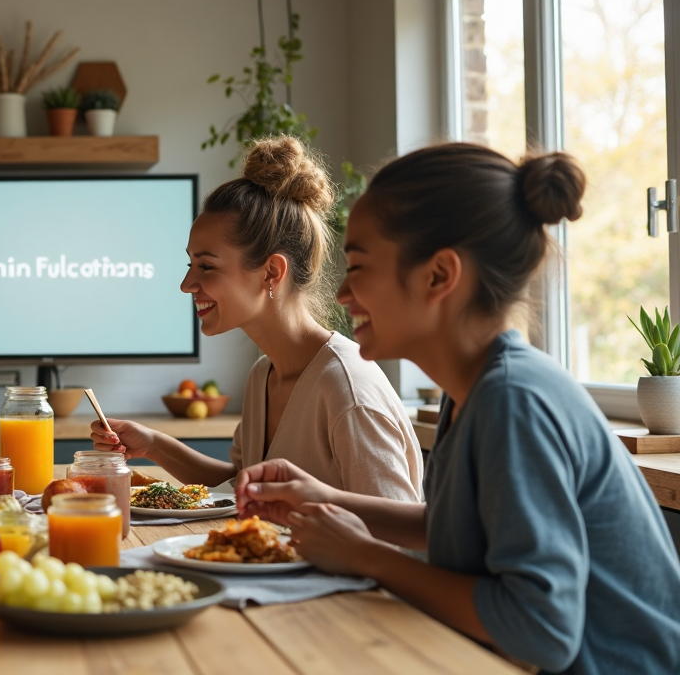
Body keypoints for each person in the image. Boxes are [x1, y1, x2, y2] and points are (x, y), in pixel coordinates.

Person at [236, 143, 680, 674]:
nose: (345, 293)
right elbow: (458, 528)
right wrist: (329, 499)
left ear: (439, 276)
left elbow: (540, 631)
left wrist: (364, 555)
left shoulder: (514, 402)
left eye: (358, 267)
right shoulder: (474, 389)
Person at [92, 136, 423, 501]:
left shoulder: (347, 391)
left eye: (206, 266)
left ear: (270, 273)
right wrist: (154, 445)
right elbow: (242, 483)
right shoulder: (263, 375)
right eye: (191, 264)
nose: (187, 284)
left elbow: (395, 533)